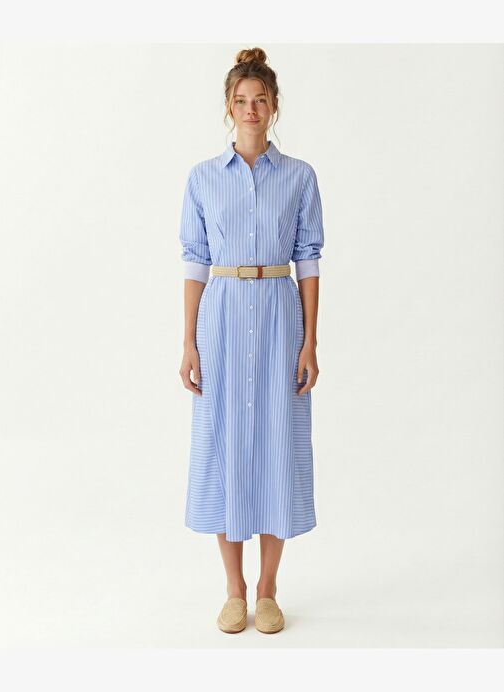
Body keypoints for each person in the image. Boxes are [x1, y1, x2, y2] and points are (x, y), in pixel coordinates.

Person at [179, 46, 324, 634]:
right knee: (225, 446)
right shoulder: (202, 179)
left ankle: (268, 590)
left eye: (260, 99)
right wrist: (188, 342)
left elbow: (308, 259)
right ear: (228, 106)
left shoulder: (300, 177)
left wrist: (310, 341)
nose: (251, 109)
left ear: (274, 105)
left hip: (279, 318)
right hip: (220, 318)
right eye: (241, 100)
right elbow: (194, 261)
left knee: (275, 446)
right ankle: (233, 590)